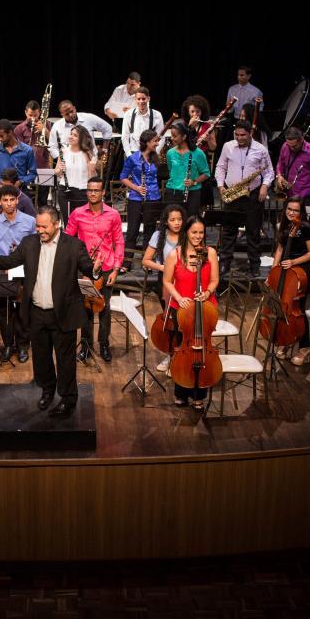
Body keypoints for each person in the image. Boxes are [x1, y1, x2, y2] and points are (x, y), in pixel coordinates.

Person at [0, 206, 103, 419]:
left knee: (65, 361)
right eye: (37, 226)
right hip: (37, 312)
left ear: (56, 224)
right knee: (41, 359)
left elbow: (89, 268)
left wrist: (96, 269)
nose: (40, 230)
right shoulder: (29, 243)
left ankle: (68, 399)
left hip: (63, 313)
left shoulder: (73, 245)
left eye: (44, 226)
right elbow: (10, 261)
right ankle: (47, 390)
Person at [162, 215, 220, 411]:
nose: (198, 236)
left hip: (205, 308)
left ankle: (199, 393)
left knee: (202, 351)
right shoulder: (175, 255)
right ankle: (181, 391)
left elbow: (214, 280)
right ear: (186, 232)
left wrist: (207, 292)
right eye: (194, 232)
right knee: (182, 351)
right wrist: (179, 298)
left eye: (201, 232)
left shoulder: (210, 253)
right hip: (182, 309)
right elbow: (167, 281)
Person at [65, 177, 124, 362]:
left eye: (96, 190)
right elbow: (67, 238)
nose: (92, 193)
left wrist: (115, 270)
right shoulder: (77, 213)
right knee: (86, 308)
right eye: (89, 190)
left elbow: (119, 242)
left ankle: (104, 344)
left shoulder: (113, 214)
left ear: (103, 193)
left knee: (104, 308)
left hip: (106, 268)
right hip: (85, 269)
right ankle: (85, 344)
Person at [215, 119, 275, 276]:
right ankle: (224, 263)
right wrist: (221, 186)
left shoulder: (261, 149)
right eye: (237, 134)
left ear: (250, 134)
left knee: (253, 231)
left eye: (243, 135)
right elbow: (220, 167)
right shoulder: (228, 146)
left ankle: (254, 265)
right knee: (229, 230)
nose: (239, 138)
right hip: (232, 192)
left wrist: (264, 186)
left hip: (252, 193)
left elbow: (269, 172)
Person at [0, 186, 37, 363]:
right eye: (5, 200)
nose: (8, 203)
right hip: (1, 271)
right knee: (3, 311)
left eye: (11, 200)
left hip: (23, 272)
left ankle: (22, 345)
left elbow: (36, 248)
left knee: (23, 311)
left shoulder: (30, 222)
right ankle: (7, 344)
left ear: (17, 201)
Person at [271, 197, 310, 366]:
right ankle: (286, 340)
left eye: (296, 210)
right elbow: (280, 248)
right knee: (284, 305)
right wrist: (273, 271)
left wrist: (293, 262)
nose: (292, 213)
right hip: (286, 266)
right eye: (289, 209)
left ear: (301, 212)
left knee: (298, 307)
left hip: (302, 268)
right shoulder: (283, 225)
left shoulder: (305, 228)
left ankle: (304, 346)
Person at [142, 204, 186, 372]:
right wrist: (165, 267)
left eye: (179, 219)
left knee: (183, 321)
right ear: (166, 221)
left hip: (185, 282)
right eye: (172, 220)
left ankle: (183, 356)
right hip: (166, 283)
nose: (177, 223)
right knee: (171, 322)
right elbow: (146, 260)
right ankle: (171, 356)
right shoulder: (158, 235)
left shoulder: (188, 235)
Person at [120, 129, 162, 269]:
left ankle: (147, 262)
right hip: (136, 198)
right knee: (132, 231)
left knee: (149, 231)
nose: (157, 143)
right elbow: (123, 177)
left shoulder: (157, 158)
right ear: (147, 142)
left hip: (153, 198)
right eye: (155, 141)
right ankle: (127, 263)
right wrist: (136, 188)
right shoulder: (133, 158)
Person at [275, 126, 310, 217]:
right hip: (289, 194)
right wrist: (279, 175)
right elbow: (280, 163)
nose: (291, 148)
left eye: (294, 146)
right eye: (289, 145)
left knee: (303, 227)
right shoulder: (285, 146)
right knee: (288, 226)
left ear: (301, 139)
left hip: (306, 196)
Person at [163, 122, 209, 220]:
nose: (172, 138)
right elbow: (171, 170)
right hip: (173, 192)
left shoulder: (198, 153)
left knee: (190, 221)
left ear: (184, 137)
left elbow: (206, 173)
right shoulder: (170, 153)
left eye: (174, 136)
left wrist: (194, 181)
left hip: (192, 193)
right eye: (171, 135)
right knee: (173, 221)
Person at [54, 125, 98, 217]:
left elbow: (92, 179)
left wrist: (91, 169)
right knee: (68, 223)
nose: (71, 137)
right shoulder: (63, 151)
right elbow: (57, 173)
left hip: (82, 192)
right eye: (71, 134)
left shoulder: (88, 154)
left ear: (81, 138)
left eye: (75, 135)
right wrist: (60, 170)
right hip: (64, 191)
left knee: (81, 223)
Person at [48, 101, 114, 161]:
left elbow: (107, 128)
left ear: (74, 108)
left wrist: (104, 149)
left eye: (71, 111)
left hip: (90, 161)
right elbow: (52, 147)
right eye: (67, 114)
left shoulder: (88, 118)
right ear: (62, 114)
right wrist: (61, 160)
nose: (70, 115)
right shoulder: (57, 126)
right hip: (68, 163)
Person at [0, 119, 37, 196]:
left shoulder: (27, 150)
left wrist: (21, 181)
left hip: (21, 191)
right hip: (2, 192)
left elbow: (33, 173)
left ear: (10, 132)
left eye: (1, 136)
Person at [120, 87, 164, 156]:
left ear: (148, 98)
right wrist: (129, 155)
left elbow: (161, 137)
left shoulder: (157, 115)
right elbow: (124, 137)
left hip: (150, 153)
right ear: (135, 99)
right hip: (132, 153)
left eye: (143, 99)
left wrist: (154, 152)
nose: (141, 101)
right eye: (138, 99)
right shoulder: (128, 114)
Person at [14, 99, 51, 170]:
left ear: (39, 113)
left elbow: (53, 143)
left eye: (35, 115)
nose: (33, 118)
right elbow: (20, 150)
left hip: (43, 166)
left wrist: (45, 131)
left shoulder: (46, 124)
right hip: (26, 166)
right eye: (30, 115)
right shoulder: (19, 129)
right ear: (25, 112)